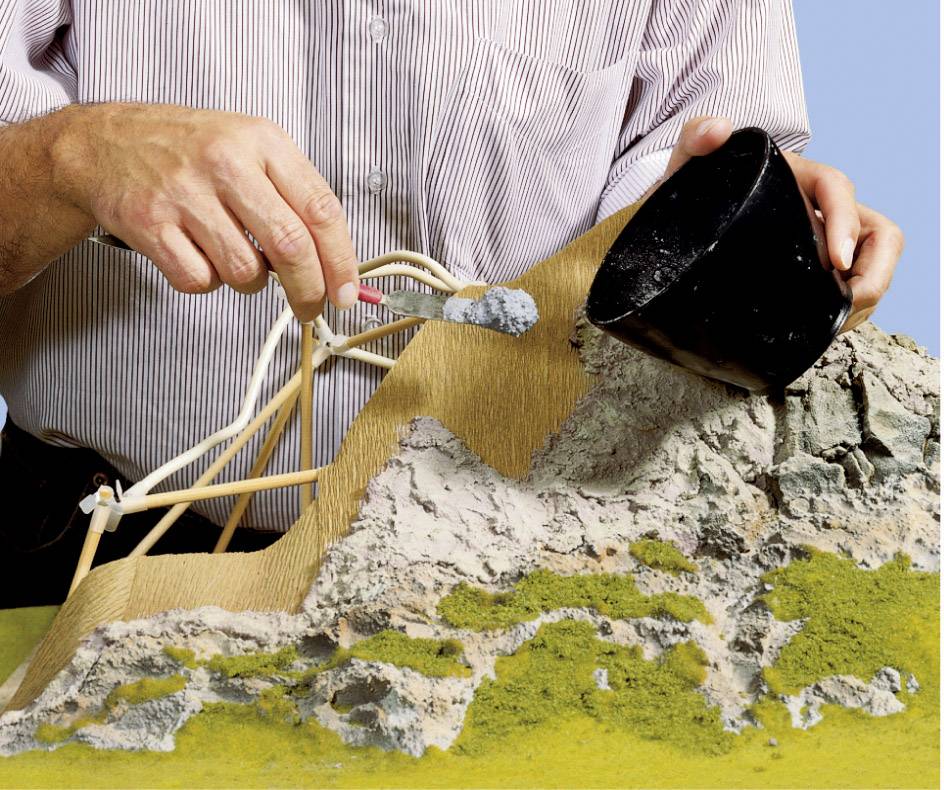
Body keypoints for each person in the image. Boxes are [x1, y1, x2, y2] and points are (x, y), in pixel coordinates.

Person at [0, 1, 902, 601]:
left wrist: (742, 229)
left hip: (520, 562)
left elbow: (708, 157)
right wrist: (70, 155)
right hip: (99, 551)